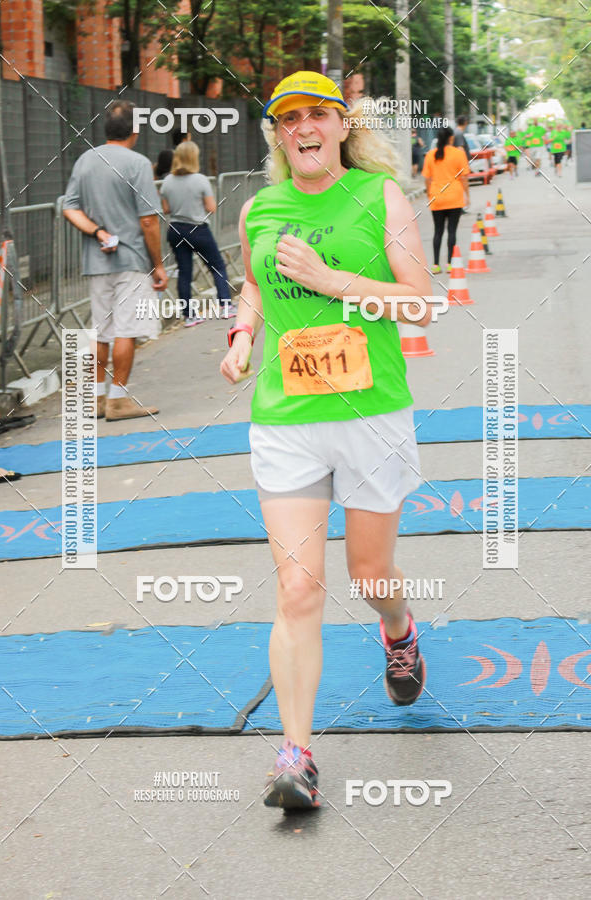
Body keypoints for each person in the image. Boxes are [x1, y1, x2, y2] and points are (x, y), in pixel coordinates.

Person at [221, 70, 434, 811]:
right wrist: (242, 334)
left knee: (369, 576)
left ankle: (398, 630)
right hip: (286, 417)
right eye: (289, 119)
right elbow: (254, 284)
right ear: (278, 135)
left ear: (343, 125)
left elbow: (422, 303)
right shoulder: (259, 208)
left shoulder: (381, 196)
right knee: (297, 587)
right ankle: (296, 757)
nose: (303, 127)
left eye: (318, 114)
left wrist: (331, 278)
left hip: (371, 414)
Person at [62, 100, 167, 421]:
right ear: (135, 130)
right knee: (126, 330)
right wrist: (158, 264)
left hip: (96, 261)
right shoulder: (138, 163)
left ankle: (96, 399)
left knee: (102, 331)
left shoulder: (85, 161)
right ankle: (118, 400)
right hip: (131, 260)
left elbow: (69, 207)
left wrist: (98, 232)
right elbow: (148, 220)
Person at [160, 141, 235, 327]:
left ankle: (189, 316)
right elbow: (211, 207)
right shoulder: (200, 180)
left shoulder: (167, 181)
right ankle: (225, 305)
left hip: (176, 230)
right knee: (217, 266)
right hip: (198, 229)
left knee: (184, 272)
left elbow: (166, 209)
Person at [422, 127, 470, 274]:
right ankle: (450, 264)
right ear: (451, 138)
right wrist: (467, 195)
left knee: (438, 231)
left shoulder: (430, 155)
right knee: (452, 231)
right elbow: (464, 177)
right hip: (454, 196)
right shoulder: (458, 153)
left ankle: (436, 265)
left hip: (437, 197)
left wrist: (429, 194)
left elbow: (427, 178)